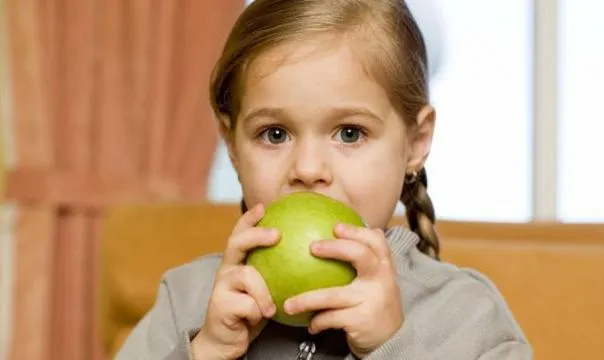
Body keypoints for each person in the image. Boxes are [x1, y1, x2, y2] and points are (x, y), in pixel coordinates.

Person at [115, 0, 532, 359]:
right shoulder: (187, 301)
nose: (309, 169)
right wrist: (206, 351)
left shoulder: (466, 314)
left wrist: (393, 346)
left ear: (415, 142)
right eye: (274, 134)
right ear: (233, 146)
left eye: (350, 133)